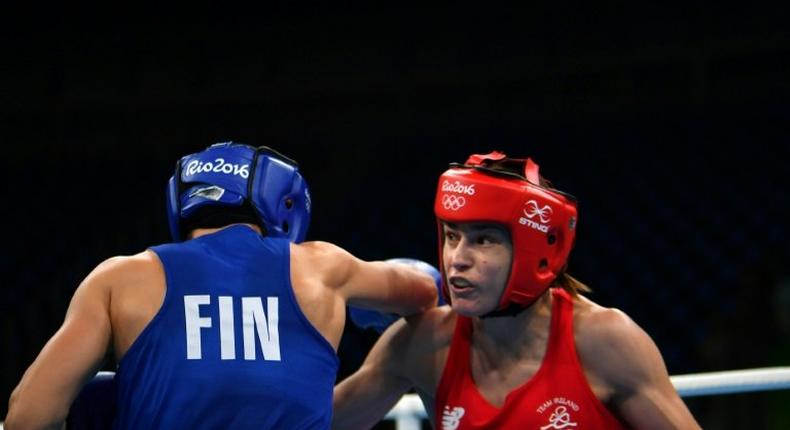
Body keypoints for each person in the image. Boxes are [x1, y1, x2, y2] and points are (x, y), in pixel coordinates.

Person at [5, 142, 438, 429]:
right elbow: (425, 290)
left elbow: (27, 417)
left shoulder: (119, 279)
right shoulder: (322, 268)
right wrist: (367, 304)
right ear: (282, 203)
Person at [333, 151, 701, 429]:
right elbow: (318, 423)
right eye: (452, 236)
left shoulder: (603, 341)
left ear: (533, 254)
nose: (457, 259)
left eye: (484, 240)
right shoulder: (425, 343)